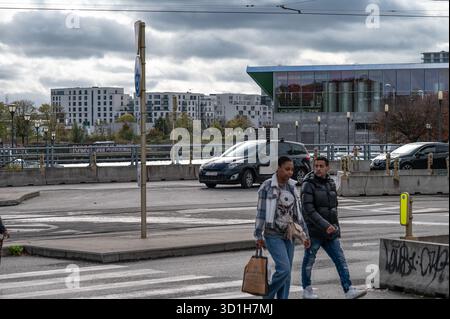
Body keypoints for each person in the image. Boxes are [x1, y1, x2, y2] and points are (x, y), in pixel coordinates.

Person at [301, 155, 367, 299]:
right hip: (314, 231)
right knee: (309, 261)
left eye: (321, 166)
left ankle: (348, 289)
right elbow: (308, 210)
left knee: (340, 260)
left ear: (327, 168)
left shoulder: (330, 183)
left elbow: (333, 208)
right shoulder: (308, 184)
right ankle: (307, 290)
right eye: (316, 166)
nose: (318, 169)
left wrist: (335, 228)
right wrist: (325, 225)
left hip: (330, 231)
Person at [254, 156, 310, 299]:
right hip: (272, 234)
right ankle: (267, 296)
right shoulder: (267, 186)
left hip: (289, 234)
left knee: (287, 273)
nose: (290, 172)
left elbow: (298, 213)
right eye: (286, 169)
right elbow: (261, 213)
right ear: (278, 168)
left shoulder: (292, 186)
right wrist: (258, 235)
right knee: (284, 269)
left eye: (292, 169)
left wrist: (305, 235)